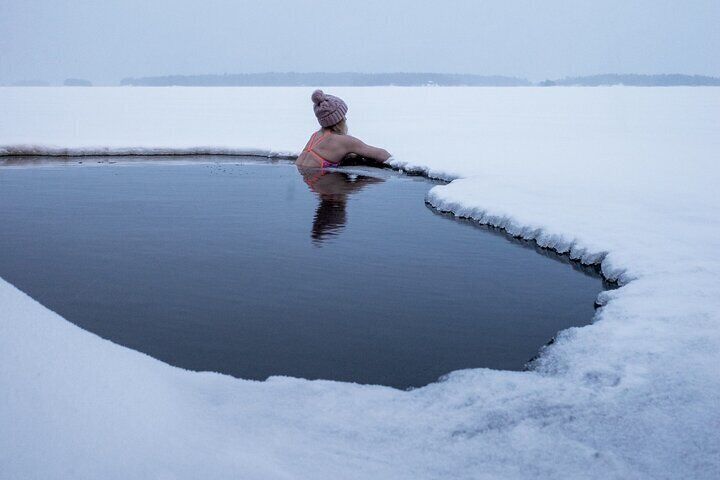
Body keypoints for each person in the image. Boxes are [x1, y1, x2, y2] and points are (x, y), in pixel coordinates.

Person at [295, 90, 392, 168]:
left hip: (309, 183)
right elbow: (383, 155)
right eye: (343, 116)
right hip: (324, 184)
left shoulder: (315, 136)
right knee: (364, 182)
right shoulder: (344, 141)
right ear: (339, 119)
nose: (345, 118)